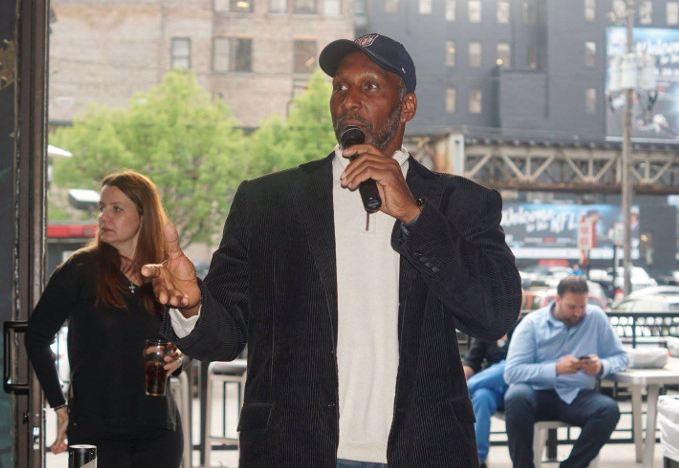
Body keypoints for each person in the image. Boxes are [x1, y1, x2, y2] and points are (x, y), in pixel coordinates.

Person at [144, 33, 521, 468]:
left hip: (426, 450)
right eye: (340, 87)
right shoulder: (267, 202)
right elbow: (224, 337)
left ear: (408, 106)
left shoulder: (461, 204)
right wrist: (192, 305)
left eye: (370, 87)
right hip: (292, 450)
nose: (349, 100)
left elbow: (495, 313)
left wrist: (417, 216)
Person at [25, 171, 185, 468]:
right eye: (102, 209)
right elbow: (35, 337)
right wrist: (59, 406)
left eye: (116, 209)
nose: (104, 218)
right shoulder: (80, 269)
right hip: (94, 432)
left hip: (158, 431)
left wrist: (181, 358)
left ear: (143, 215)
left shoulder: (166, 273)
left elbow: (188, 337)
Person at [504, 276, 629, 468]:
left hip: (577, 395)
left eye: (582, 307)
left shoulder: (596, 318)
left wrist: (601, 366)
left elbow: (621, 358)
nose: (578, 313)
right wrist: (555, 369)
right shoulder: (531, 324)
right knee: (516, 396)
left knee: (609, 410)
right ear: (558, 300)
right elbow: (512, 372)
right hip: (536, 394)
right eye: (572, 307)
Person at [463, 324, 517, 468]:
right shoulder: (487, 329)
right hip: (492, 388)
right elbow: (472, 362)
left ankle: (462, 391)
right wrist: (460, 375)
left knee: (507, 366)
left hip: (516, 386)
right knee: (481, 397)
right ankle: (478, 459)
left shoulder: (526, 327)